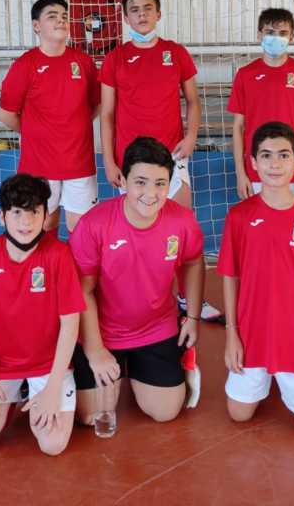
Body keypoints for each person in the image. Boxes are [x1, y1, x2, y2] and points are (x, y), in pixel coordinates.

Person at [98, 0, 220, 321]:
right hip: (130, 162)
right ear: (125, 18)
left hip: (172, 157)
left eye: (147, 8)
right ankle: (139, 301)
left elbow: (193, 101)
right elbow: (106, 115)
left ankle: (189, 299)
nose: (141, 15)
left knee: (183, 231)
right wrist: (108, 160)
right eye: (134, 10)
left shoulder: (175, 52)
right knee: (135, 234)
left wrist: (191, 136)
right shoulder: (115, 58)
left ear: (159, 13)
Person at [70, 137, 204, 425]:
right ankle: (96, 366)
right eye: (141, 182)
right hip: (104, 332)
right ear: (124, 181)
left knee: (165, 413)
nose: (150, 193)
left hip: (156, 327)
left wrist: (192, 317)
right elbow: (83, 290)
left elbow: (193, 262)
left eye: (160, 183)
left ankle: (170, 363)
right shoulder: (94, 224)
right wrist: (95, 350)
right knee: (90, 416)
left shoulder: (182, 222)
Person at [0, 174, 84, 456]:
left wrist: (53, 387)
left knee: (52, 444)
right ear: (2, 216)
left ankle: (33, 391)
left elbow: (70, 323)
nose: (26, 221)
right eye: (17, 212)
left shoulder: (59, 255)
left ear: (46, 215)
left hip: (48, 366)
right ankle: (13, 396)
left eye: (34, 211)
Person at [218, 121, 294, 431]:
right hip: (252, 334)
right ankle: (267, 376)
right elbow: (230, 276)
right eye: (266, 155)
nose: (275, 163)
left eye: (283, 155)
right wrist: (232, 335)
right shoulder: (239, 216)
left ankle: (286, 373)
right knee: (238, 414)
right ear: (253, 163)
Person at [0, 0, 101, 233]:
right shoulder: (25, 65)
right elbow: (7, 115)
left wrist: (73, 127)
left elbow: (97, 104)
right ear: (37, 26)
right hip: (39, 166)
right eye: (52, 16)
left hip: (79, 163)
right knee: (43, 228)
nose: (61, 21)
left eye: (64, 16)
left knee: (82, 231)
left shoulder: (83, 62)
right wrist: (37, 131)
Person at [227, 8, 294, 202]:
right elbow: (238, 127)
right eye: (270, 32)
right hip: (256, 173)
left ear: (292, 36)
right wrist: (241, 173)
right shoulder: (245, 75)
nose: (276, 38)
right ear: (259, 35)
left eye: (282, 33)